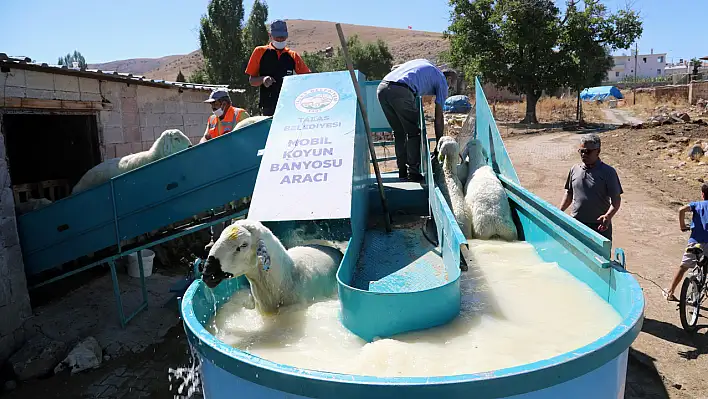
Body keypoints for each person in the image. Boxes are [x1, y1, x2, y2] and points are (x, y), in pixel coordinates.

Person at [377, 59, 448, 182]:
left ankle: (402, 172)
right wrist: (439, 145)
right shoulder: (442, 80)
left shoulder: (425, 64)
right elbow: (438, 118)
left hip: (382, 87)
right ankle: (413, 173)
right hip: (402, 91)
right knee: (413, 132)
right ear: (450, 79)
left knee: (399, 132)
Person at [559, 133, 622, 241]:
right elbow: (569, 193)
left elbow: (616, 200)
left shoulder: (608, 172)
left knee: (599, 257)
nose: (584, 154)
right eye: (581, 151)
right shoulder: (575, 169)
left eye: (588, 151)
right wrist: (559, 211)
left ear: (598, 151)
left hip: (599, 226)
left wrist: (608, 216)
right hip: (577, 223)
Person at [245, 19, 311, 116]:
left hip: (289, 106)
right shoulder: (260, 52)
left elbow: (308, 78)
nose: (280, 39)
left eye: (283, 37)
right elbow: (252, 81)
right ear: (270, 35)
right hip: (268, 106)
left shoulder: (293, 55)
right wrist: (263, 79)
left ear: (287, 36)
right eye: (277, 37)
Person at [664, 183, 708, 301]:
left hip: (695, 241)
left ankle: (670, 292)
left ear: (702, 194)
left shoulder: (697, 205)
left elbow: (681, 209)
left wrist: (682, 226)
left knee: (683, 267)